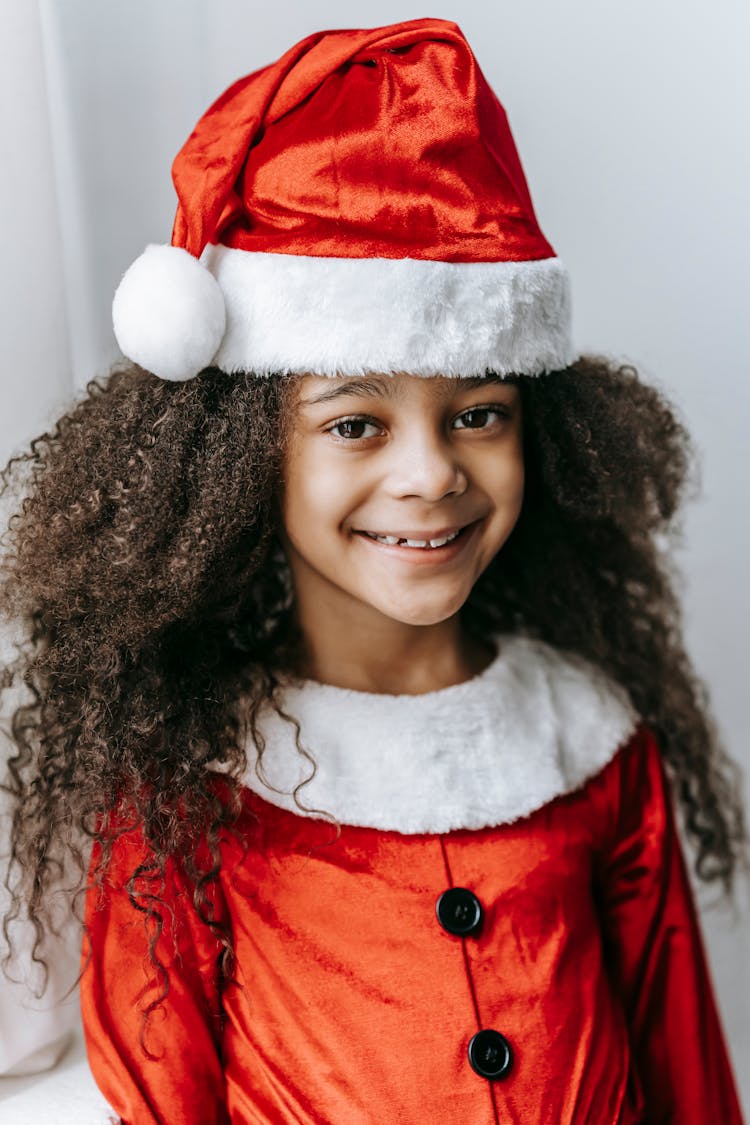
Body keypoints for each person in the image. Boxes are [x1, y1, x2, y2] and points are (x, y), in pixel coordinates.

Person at [0, 16, 746, 1125]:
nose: (431, 474)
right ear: (244, 459)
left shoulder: (591, 736)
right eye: (356, 424)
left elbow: (690, 1080)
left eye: (479, 414)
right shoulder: (188, 777)